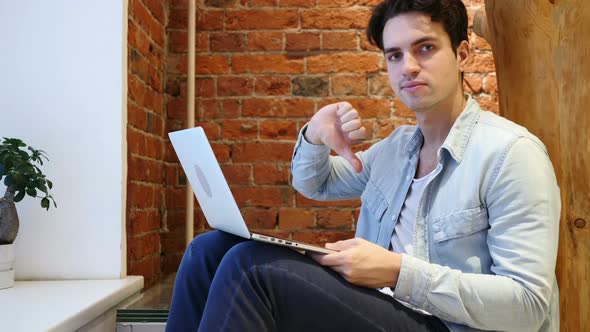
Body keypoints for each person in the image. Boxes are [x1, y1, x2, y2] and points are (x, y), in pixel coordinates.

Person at [166, 0, 560, 331]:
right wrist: (315, 135)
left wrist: (396, 272)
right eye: (395, 55)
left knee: (250, 268)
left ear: (461, 54)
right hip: (384, 311)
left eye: (425, 48)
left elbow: (527, 305)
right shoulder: (396, 150)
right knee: (208, 250)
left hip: (449, 325)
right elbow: (314, 183)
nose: (408, 66)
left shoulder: (511, 153)